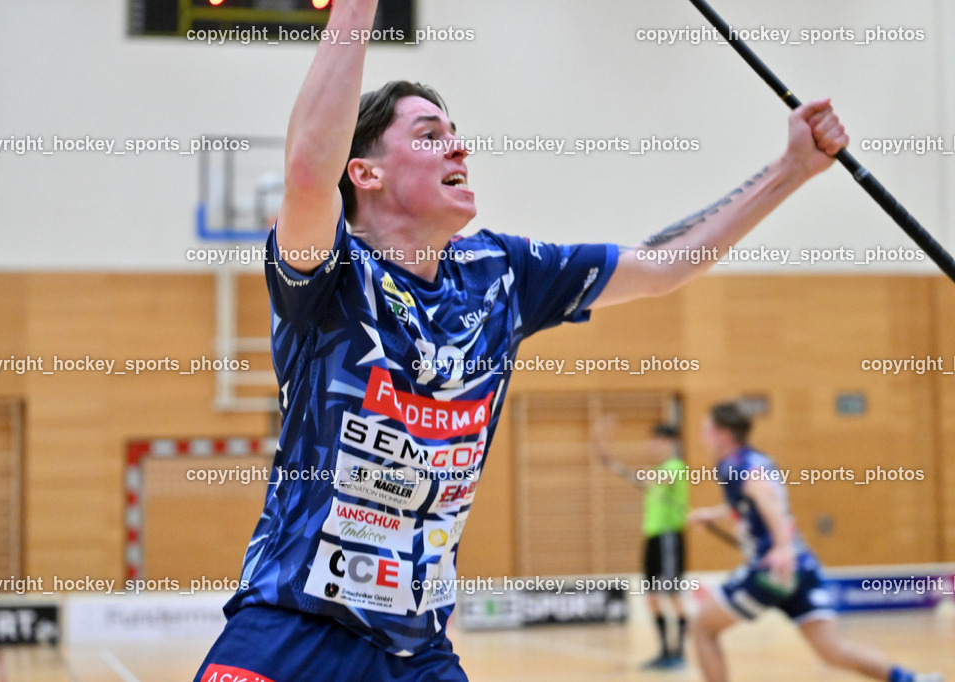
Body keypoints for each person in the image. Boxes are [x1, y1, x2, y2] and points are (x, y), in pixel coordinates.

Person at [194, 1, 850, 679]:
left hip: (414, 654)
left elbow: (660, 266)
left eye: (455, 132)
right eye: (428, 135)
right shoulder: (329, 277)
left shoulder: (500, 274)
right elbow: (307, 173)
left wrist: (792, 169)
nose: (458, 146)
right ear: (366, 173)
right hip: (291, 632)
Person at [688, 402, 943, 682]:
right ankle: (911, 680)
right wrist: (711, 515)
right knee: (833, 651)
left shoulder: (735, 464)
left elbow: (767, 500)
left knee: (702, 628)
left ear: (724, 435)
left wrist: (781, 547)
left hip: (772, 568)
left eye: (706, 430)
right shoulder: (755, 459)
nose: (703, 437)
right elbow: (751, 505)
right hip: (801, 564)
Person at [595, 421, 690, 669]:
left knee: (671, 595)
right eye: (653, 440)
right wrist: (613, 463)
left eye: (659, 441)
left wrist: (637, 471)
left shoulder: (676, 467)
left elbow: (662, 478)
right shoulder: (658, 472)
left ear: (670, 443)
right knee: (652, 597)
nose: (654, 445)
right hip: (653, 538)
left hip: (669, 538)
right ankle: (664, 652)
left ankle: (678, 653)